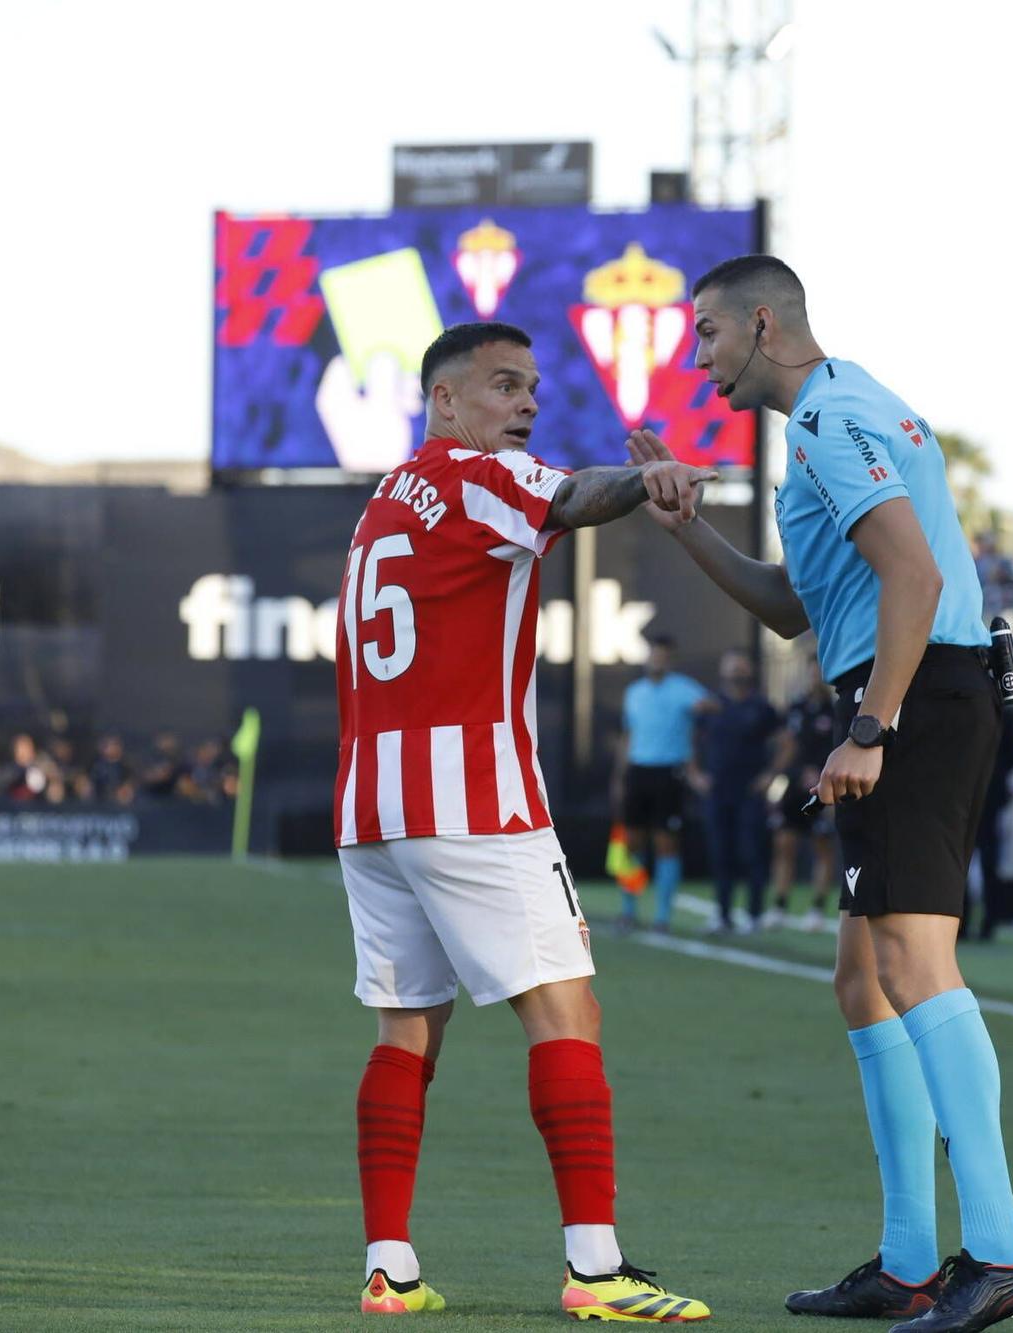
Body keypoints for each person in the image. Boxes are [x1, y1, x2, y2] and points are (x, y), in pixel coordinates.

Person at [630, 255, 1013, 1331]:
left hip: (916, 697)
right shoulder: (832, 415)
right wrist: (684, 525)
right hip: (913, 690)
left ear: (760, 323)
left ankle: (998, 1253)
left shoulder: (828, 416)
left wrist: (872, 725)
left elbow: (911, 576)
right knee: (861, 978)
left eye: (706, 333)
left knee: (912, 964)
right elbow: (786, 605)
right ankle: (908, 1262)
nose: (697, 355)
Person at [334, 321, 713, 1321]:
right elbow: (575, 493)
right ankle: (595, 1270)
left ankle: (389, 1267)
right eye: (504, 386)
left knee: (407, 1024)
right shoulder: (474, 476)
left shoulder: (383, 500)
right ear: (444, 400)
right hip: (471, 798)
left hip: (371, 805)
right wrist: (648, 478)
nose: (526, 405)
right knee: (565, 1011)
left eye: (532, 389)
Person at [613, 636, 712, 932]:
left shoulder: (685, 689)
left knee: (666, 844)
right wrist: (619, 776)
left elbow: (713, 714)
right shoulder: (634, 692)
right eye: (653, 656)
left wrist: (694, 762)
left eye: (662, 657)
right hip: (638, 772)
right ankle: (628, 910)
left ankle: (662, 917)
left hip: (669, 773)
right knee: (630, 843)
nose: (657, 661)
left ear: (671, 660)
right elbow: (627, 736)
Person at [697, 647, 783, 933]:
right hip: (719, 790)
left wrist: (770, 775)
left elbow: (788, 742)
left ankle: (754, 913)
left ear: (750, 671)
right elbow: (688, 739)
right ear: (723, 671)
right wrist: (695, 774)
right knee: (721, 852)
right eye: (732, 667)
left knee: (752, 852)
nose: (736, 672)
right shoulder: (711, 706)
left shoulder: (762, 707)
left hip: (750, 792)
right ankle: (722, 914)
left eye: (741, 667)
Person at [766, 665, 840, 930]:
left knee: (821, 846)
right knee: (784, 843)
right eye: (809, 672)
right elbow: (786, 745)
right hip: (792, 787)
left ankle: (817, 908)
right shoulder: (795, 709)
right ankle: (779, 905)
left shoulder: (835, 709)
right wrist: (775, 779)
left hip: (821, 788)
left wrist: (824, 775)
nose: (812, 678)